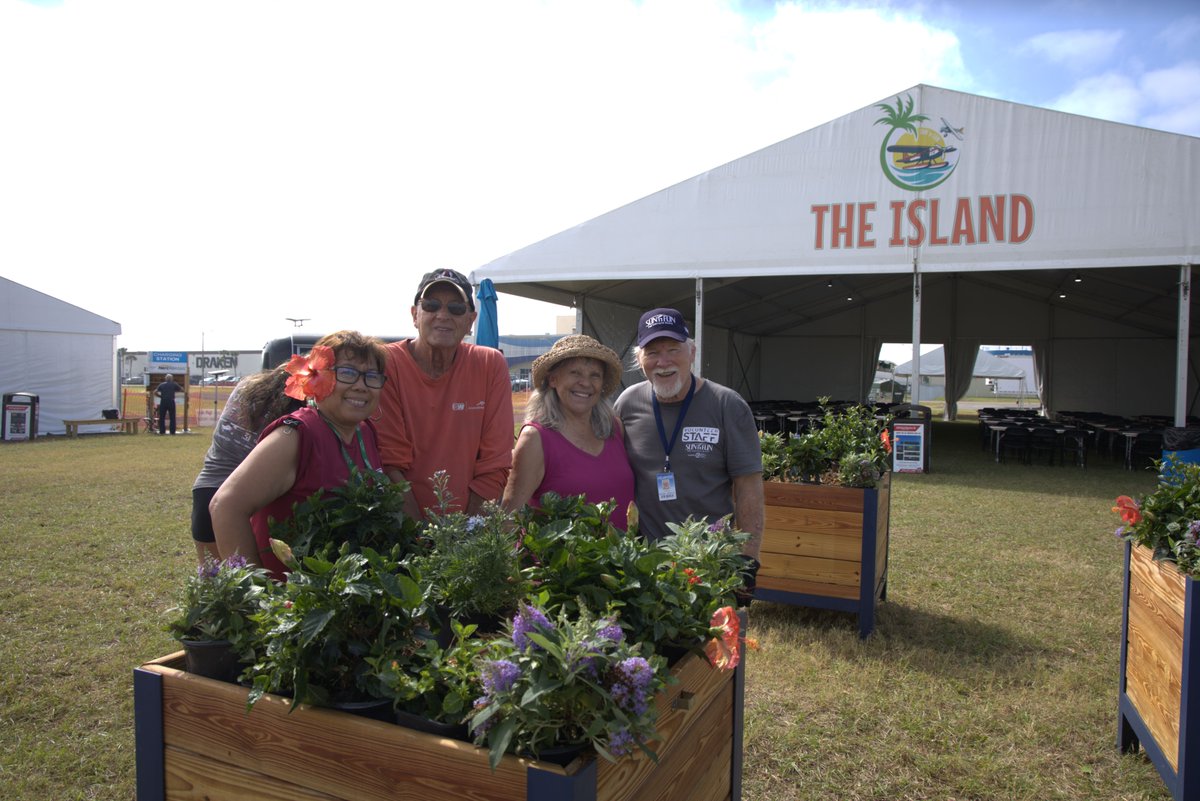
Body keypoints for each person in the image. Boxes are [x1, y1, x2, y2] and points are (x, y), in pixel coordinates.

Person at [210, 330, 388, 580]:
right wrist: (255, 595)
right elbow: (225, 506)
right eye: (347, 373)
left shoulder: (365, 432)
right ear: (318, 379)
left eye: (372, 376)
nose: (361, 386)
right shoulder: (296, 435)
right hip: (290, 606)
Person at [614, 308, 764, 564]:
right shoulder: (628, 403)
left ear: (692, 353)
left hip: (710, 561)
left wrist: (748, 559)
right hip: (645, 561)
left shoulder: (726, 404)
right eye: (652, 353)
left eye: (673, 349)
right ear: (640, 360)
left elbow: (748, 486)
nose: (663, 362)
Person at [376, 268, 513, 518]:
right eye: (431, 305)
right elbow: (390, 462)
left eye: (456, 308)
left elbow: (495, 461)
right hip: (402, 527)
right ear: (414, 315)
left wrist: (466, 534)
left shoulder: (490, 364)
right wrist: (418, 538)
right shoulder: (387, 362)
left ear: (471, 320)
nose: (443, 315)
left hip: (470, 530)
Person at [501, 334, 634, 529]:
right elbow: (509, 518)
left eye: (594, 375)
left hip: (622, 557)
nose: (585, 383)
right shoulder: (536, 438)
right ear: (553, 379)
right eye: (575, 373)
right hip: (558, 559)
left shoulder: (615, 429)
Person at [189, 366, 303, 566]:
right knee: (250, 588)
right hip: (238, 508)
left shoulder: (244, 389)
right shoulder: (289, 412)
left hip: (204, 492)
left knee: (213, 588)